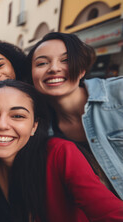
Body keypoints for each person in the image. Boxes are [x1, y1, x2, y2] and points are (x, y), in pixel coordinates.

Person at [0, 80, 123, 222]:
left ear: (34, 126)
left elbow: (109, 213)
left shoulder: (60, 153)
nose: (2, 125)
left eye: (18, 116)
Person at [27, 32, 123, 199]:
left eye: (66, 60)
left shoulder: (118, 93)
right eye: (42, 63)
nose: (54, 68)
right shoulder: (40, 128)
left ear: (82, 69)